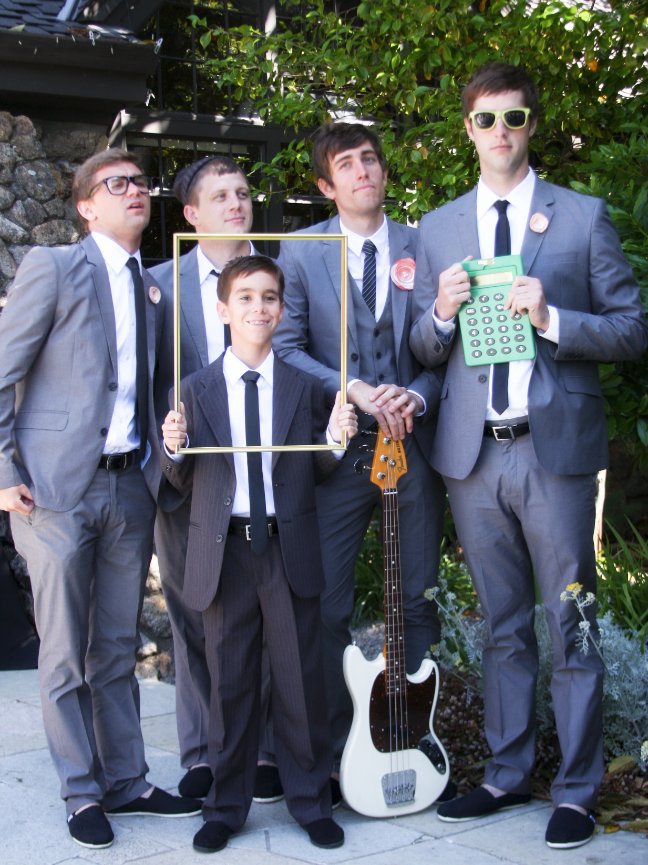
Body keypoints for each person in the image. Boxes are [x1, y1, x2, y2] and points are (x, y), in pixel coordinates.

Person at [409, 62, 648, 849]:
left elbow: (632, 328)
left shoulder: (581, 216)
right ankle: (507, 772)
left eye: (514, 117)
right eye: (486, 119)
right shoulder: (439, 228)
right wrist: (439, 314)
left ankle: (575, 790)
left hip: (555, 456)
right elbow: (420, 346)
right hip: (474, 458)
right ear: (468, 129)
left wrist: (554, 319)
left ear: (532, 125)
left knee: (572, 620)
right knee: (502, 624)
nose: (500, 132)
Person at [0, 148, 201, 850]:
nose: (135, 191)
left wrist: (160, 462)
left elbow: (151, 392)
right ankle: (81, 792)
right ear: (86, 205)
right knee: (63, 652)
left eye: (141, 183)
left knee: (116, 646)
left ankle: (127, 781)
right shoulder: (53, 268)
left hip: (128, 487)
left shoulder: (153, 289)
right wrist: (2, 469)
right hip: (55, 490)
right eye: (117, 184)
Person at [160, 254, 357, 853]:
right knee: (230, 682)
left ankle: (310, 800)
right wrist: (174, 449)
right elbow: (181, 481)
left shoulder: (304, 387)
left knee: (300, 679)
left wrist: (335, 441)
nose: (258, 307)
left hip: (285, 543)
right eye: (245, 297)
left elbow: (314, 469)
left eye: (269, 297)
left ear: (282, 309)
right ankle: (224, 806)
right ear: (223, 309)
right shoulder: (194, 390)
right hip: (226, 550)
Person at [274, 122, 446, 794]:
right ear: (327, 184)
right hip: (341, 452)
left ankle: (411, 735)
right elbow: (286, 347)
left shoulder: (422, 244)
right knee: (325, 603)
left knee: (418, 598)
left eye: (370, 159)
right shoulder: (300, 251)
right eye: (346, 164)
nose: (362, 171)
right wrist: (351, 388)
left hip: (413, 449)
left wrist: (416, 396)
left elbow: (446, 345)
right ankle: (334, 751)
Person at [152, 155, 281, 803]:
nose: (236, 203)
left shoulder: (283, 274)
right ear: (191, 213)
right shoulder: (157, 285)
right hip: (190, 477)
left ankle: (264, 751)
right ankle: (204, 752)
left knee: (270, 614)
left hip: (271, 475)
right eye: (220, 195)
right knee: (194, 613)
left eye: (242, 192)